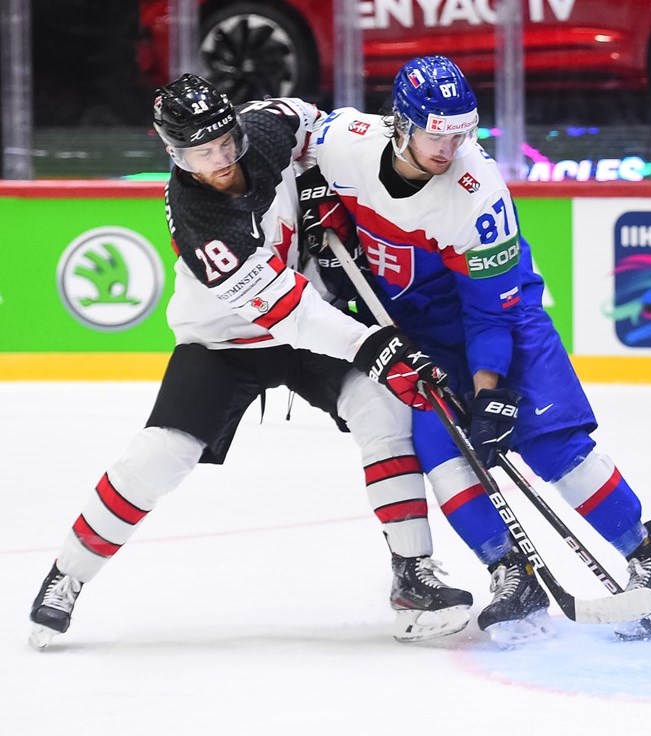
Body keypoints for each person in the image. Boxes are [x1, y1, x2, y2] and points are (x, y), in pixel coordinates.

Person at [28, 74, 473, 650]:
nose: (221, 163)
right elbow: (291, 314)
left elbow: (320, 123)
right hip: (225, 343)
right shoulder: (201, 220)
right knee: (159, 456)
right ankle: (67, 574)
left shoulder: (265, 127)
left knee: (382, 412)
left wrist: (316, 179)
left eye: (226, 144)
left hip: (307, 325)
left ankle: (413, 579)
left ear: (238, 127)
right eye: (200, 153)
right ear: (172, 153)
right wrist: (373, 347)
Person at [301, 55, 651, 644]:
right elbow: (296, 140)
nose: (450, 147)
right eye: (436, 133)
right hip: (415, 333)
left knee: (550, 443)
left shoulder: (477, 194)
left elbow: (489, 311)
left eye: (461, 132)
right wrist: (309, 193)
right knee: (440, 450)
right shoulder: (346, 142)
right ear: (400, 124)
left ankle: (648, 554)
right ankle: (510, 574)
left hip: (501, 316)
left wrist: (490, 391)